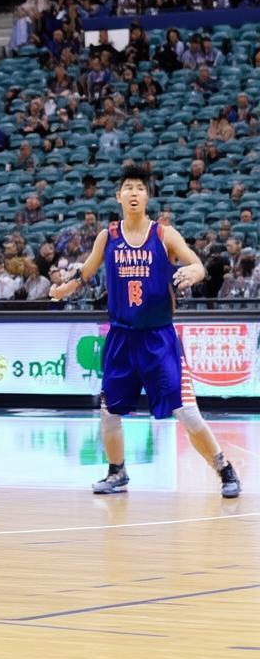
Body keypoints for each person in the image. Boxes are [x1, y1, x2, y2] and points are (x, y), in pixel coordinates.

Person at [50, 163, 241, 499]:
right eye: (128, 187)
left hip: (159, 339)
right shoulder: (106, 236)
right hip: (121, 337)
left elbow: (194, 262)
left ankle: (224, 467)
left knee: (188, 414)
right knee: (109, 412)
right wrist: (65, 289)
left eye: (140, 187)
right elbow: (86, 272)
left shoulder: (164, 234)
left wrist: (195, 272)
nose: (134, 192)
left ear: (147, 196)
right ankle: (117, 471)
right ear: (118, 196)